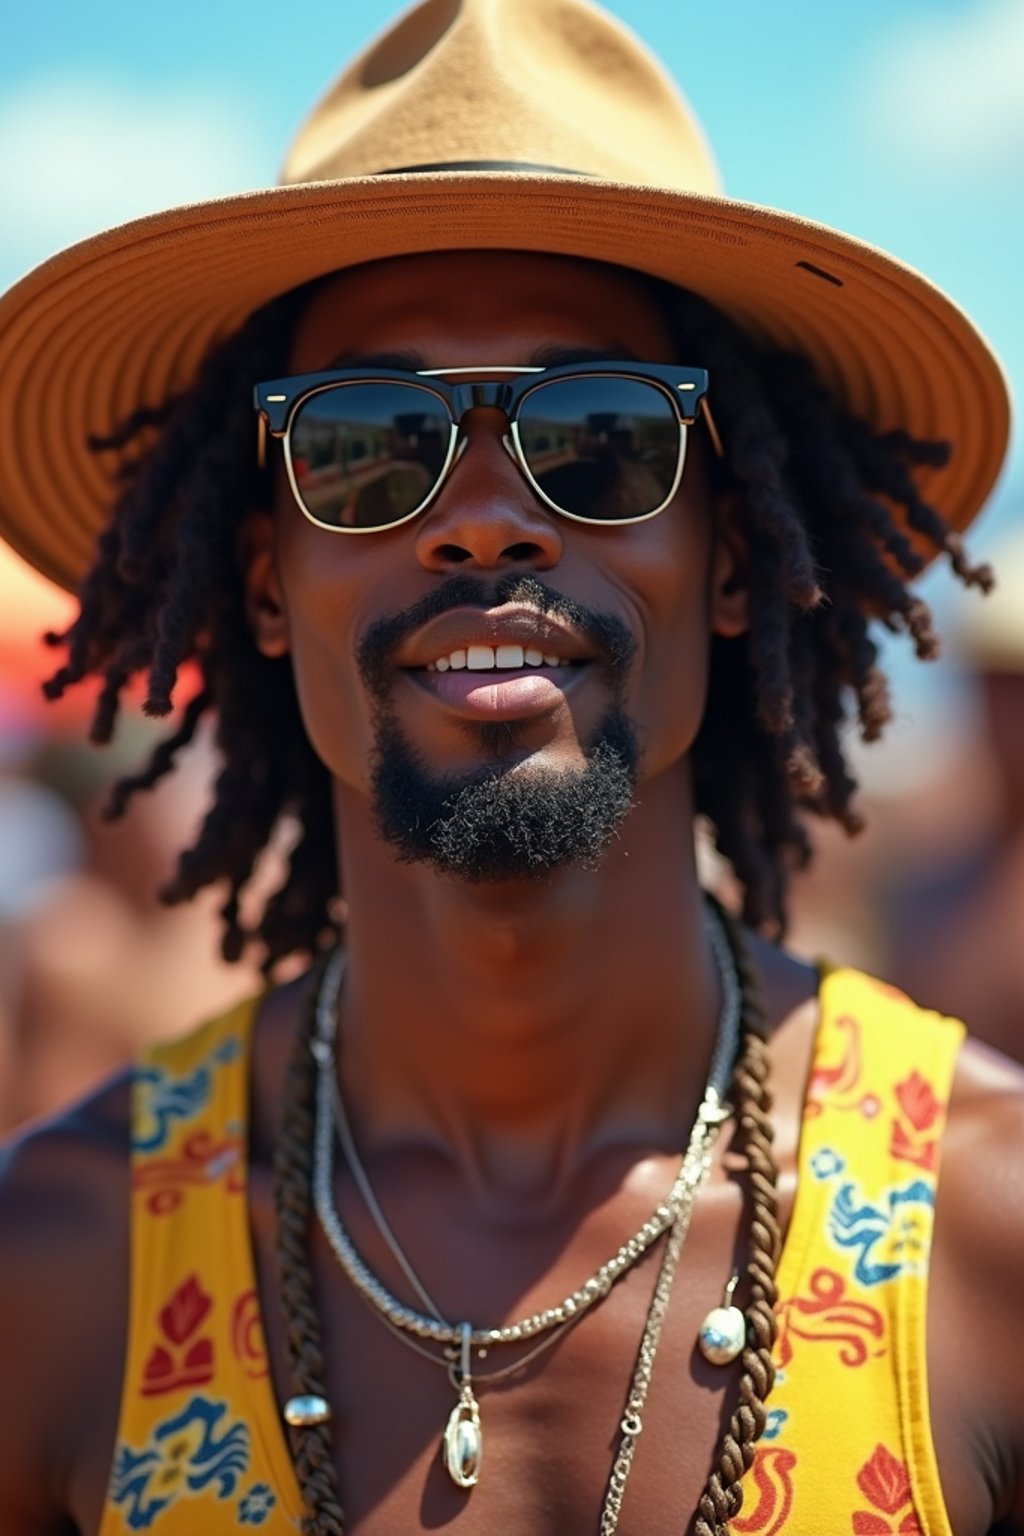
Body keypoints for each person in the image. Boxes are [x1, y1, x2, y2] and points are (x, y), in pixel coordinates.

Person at [0, 2, 1020, 1534]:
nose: (485, 519)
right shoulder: (62, 1269)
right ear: (266, 584)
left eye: (605, 437)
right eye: (369, 442)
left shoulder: (990, 1233)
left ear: (731, 559)